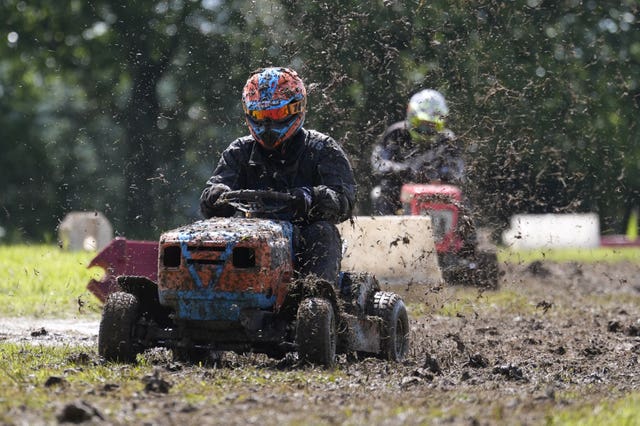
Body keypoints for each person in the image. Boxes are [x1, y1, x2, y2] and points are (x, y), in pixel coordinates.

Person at [199, 67, 356, 285]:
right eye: (260, 117)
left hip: (302, 240)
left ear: (296, 108)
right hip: (249, 233)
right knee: (215, 232)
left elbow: (345, 199)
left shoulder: (321, 148)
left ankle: (318, 296)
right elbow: (212, 196)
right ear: (249, 114)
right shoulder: (240, 151)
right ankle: (210, 291)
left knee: (323, 232)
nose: (267, 126)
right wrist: (217, 195)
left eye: (275, 116)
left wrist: (311, 197)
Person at [370, 89, 464, 215]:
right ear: (411, 116)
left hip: (437, 196)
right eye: (422, 125)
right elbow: (378, 161)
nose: (425, 131)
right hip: (400, 193)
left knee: (463, 202)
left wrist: (437, 176)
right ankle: (387, 232)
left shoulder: (448, 140)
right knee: (379, 193)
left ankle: (463, 235)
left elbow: (458, 171)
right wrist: (400, 170)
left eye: (431, 126)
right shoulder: (395, 134)